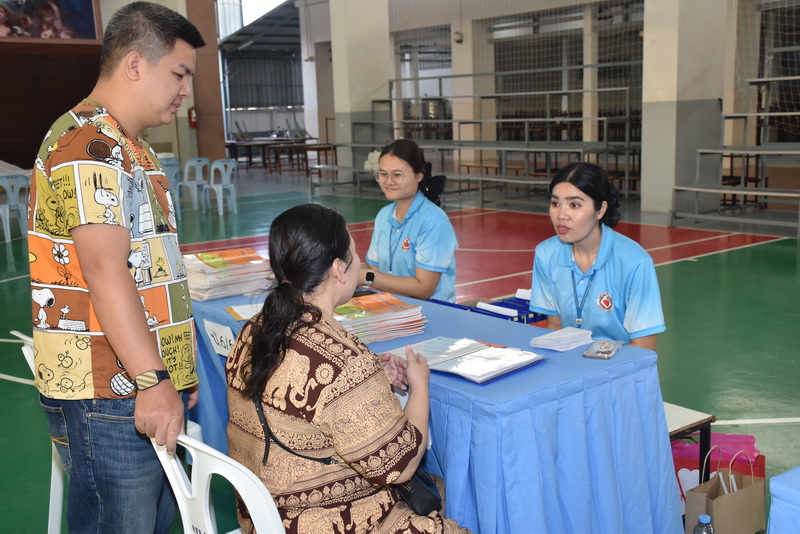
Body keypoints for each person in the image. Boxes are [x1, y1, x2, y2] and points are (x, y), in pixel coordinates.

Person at [27, 3, 205, 532]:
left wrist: (176, 365)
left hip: (139, 379)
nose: (186, 91)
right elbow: (106, 271)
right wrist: (153, 378)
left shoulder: (133, 148)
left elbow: (150, 266)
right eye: (179, 73)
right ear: (134, 64)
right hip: (111, 388)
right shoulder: (90, 147)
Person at [226, 204, 470, 534]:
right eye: (354, 254)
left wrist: (371, 378)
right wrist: (420, 387)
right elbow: (402, 466)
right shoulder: (343, 361)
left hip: (263, 517)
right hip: (324, 522)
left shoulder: (254, 329)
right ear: (339, 269)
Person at [529, 162, 665, 350]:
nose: (561, 215)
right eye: (555, 203)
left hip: (621, 363)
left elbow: (644, 347)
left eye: (574, 205)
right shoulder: (545, 254)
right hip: (571, 362)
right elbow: (555, 326)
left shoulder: (635, 263)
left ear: (600, 209)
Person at [361, 139, 458, 302]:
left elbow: (424, 289)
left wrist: (367, 276)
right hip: (393, 308)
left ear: (419, 174)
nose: (388, 181)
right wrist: (340, 267)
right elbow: (374, 269)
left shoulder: (433, 221)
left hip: (432, 312)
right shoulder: (384, 216)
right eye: (383, 174)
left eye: (397, 175)